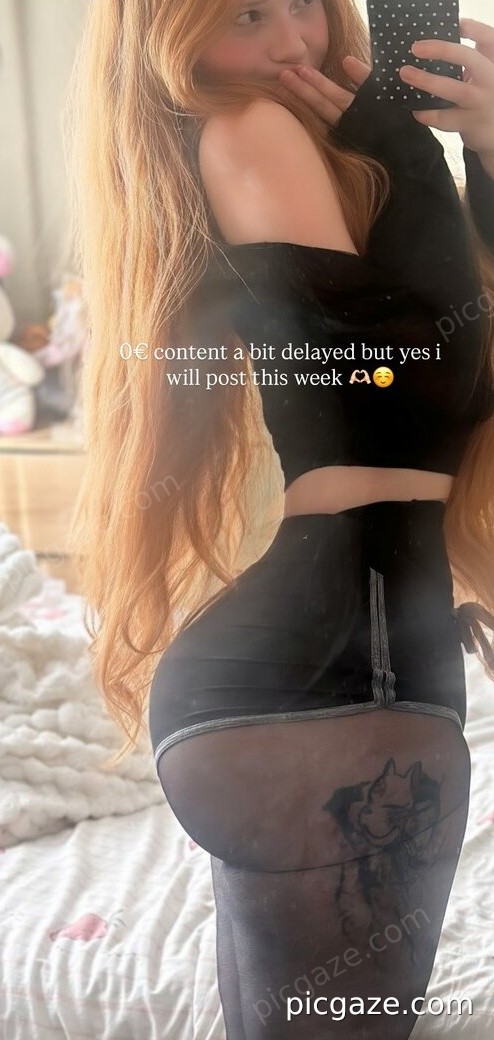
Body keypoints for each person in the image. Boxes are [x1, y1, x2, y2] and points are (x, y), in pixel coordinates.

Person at [66, 2, 494, 1036]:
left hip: (316, 687)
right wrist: (413, 147)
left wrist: (481, 159)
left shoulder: (323, 156)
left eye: (301, 0)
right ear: (171, 39)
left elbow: (453, 369)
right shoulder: (247, 128)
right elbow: (403, 382)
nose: (293, 42)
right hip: (334, 687)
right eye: (246, 15)